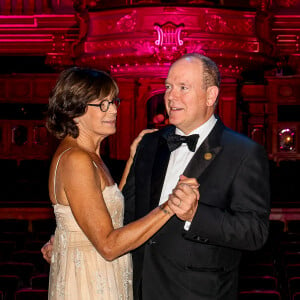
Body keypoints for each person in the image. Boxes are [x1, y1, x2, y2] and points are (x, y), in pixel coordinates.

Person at [122, 53, 271, 299]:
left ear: (211, 96)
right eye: (168, 87)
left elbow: (255, 232)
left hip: (199, 292)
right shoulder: (149, 143)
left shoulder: (244, 151)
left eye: (183, 88)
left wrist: (196, 215)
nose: (170, 96)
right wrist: (76, 240)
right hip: (141, 288)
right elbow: (126, 212)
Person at [44, 66, 200, 300]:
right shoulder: (76, 159)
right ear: (75, 111)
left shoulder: (89, 155)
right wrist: (170, 206)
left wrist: (132, 159)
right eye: (104, 104)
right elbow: (108, 246)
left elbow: (109, 204)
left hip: (102, 274)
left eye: (114, 101)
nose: (115, 110)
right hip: (89, 283)